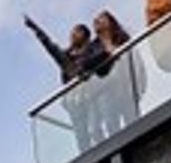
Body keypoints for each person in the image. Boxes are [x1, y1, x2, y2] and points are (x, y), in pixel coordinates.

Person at [23, 15, 109, 150]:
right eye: (72, 32)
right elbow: (50, 46)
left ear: (85, 36)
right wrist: (35, 29)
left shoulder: (93, 49)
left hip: (93, 96)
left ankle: (105, 152)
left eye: (77, 32)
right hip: (75, 101)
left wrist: (84, 67)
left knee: (95, 129)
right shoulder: (67, 58)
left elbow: (103, 56)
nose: (72, 35)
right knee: (82, 138)